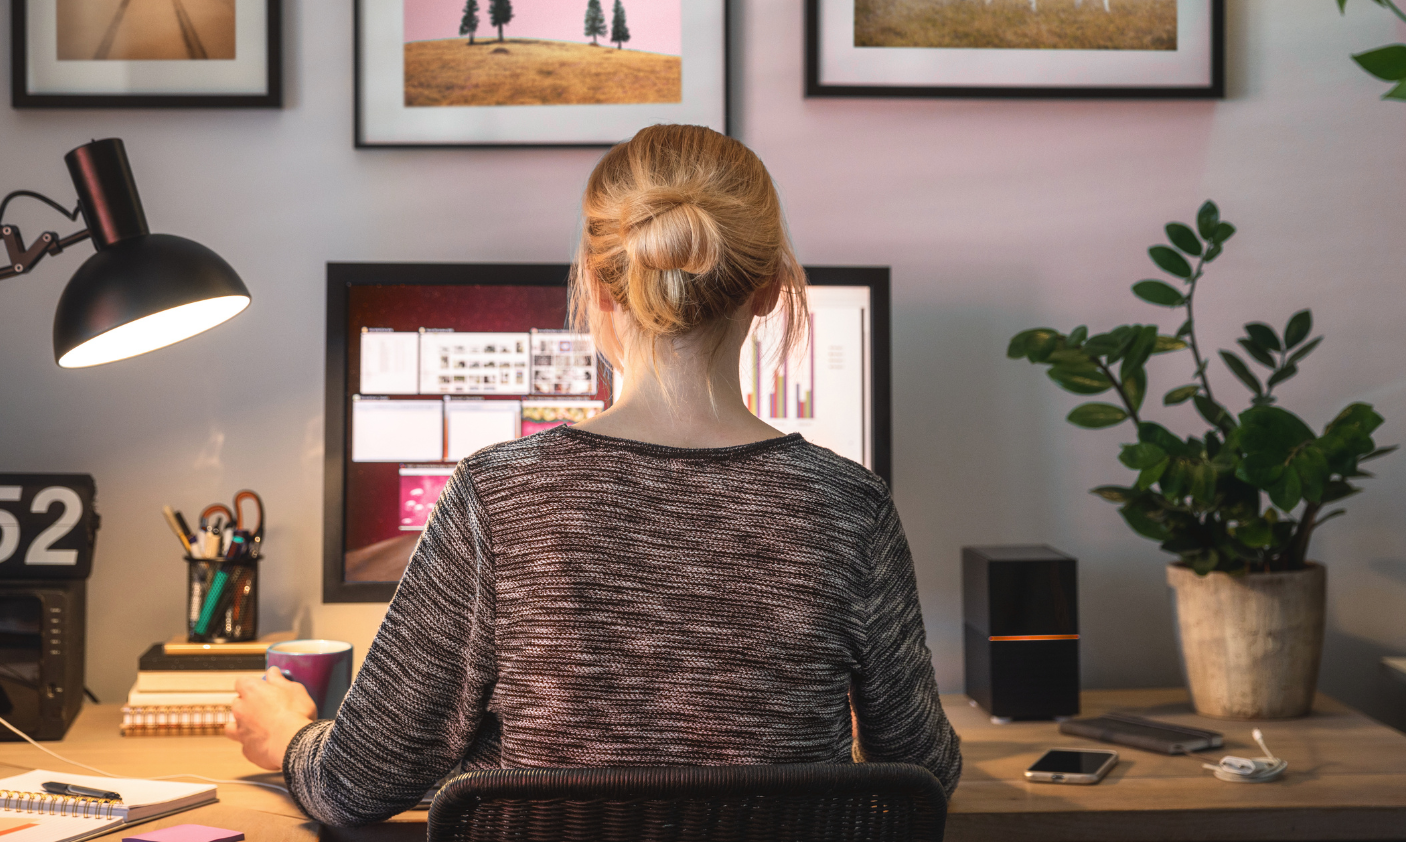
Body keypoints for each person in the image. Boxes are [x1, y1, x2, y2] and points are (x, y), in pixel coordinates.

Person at [228, 124, 960, 826]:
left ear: (600, 288)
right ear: (769, 290)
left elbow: (357, 783)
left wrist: (289, 735)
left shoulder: (497, 495)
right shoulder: (849, 506)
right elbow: (922, 771)